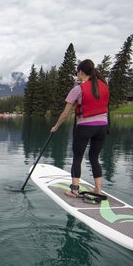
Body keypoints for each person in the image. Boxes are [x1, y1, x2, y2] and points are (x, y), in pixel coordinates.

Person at [50, 59, 110, 197]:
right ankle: (98, 190)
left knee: (77, 158)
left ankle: (74, 190)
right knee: (94, 158)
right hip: (102, 127)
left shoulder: (77, 90)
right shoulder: (104, 86)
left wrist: (56, 127)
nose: (77, 74)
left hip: (85, 127)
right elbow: (94, 95)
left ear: (81, 72)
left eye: (77, 72)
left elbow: (65, 114)